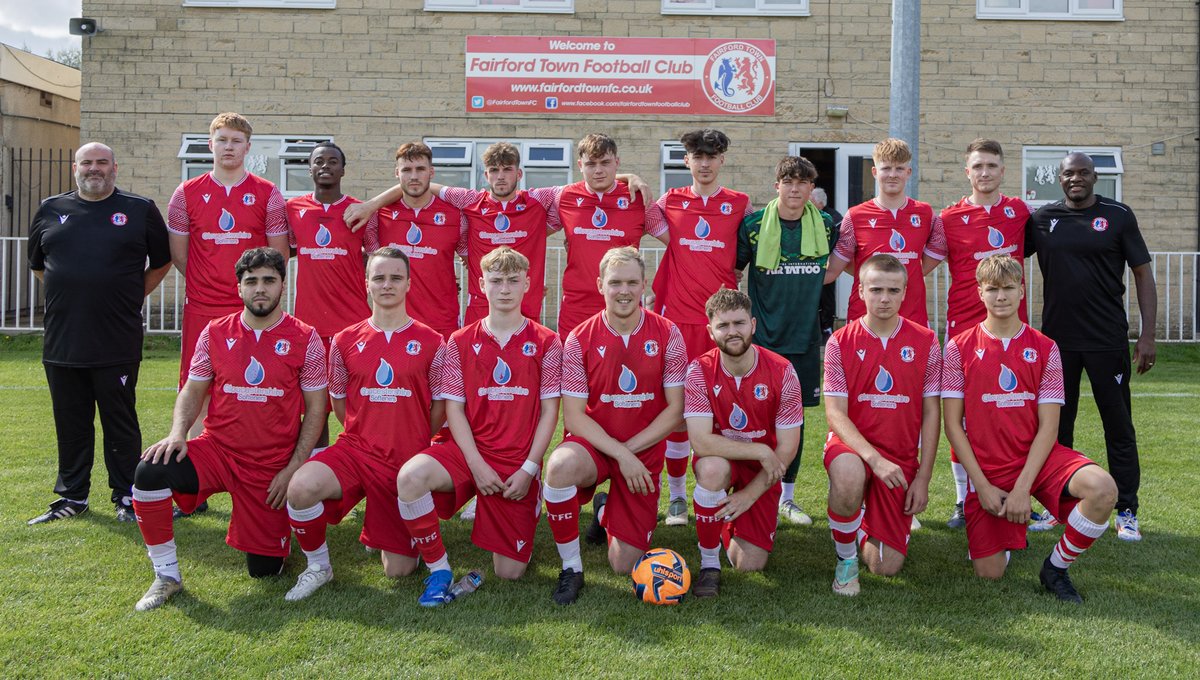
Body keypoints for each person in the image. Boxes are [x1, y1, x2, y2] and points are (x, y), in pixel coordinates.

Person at [130, 247, 328, 611]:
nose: (260, 289)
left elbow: (316, 410)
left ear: (283, 285)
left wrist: (293, 468)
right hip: (218, 451)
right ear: (239, 288)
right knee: (150, 471)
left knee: (265, 572)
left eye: (269, 280)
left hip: (271, 466)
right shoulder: (215, 332)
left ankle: (282, 532)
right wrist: (178, 433)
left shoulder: (306, 337)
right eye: (251, 281)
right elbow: (192, 390)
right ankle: (166, 576)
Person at [943, 254, 1118, 603]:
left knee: (1103, 489)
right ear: (980, 293)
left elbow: (1049, 427)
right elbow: (952, 426)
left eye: (1009, 288)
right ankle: (1005, 530)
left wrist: (1023, 489)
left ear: (1022, 291)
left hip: (1039, 460)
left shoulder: (1045, 347)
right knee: (988, 574)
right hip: (990, 470)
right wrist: (982, 486)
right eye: (992, 289)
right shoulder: (958, 347)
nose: (1001, 296)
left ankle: (1055, 567)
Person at [394, 246, 561, 606]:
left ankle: (529, 505)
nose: (505, 289)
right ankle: (439, 567)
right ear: (481, 285)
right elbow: (454, 409)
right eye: (496, 281)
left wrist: (530, 469)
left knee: (509, 572)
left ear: (527, 285)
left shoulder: (547, 341)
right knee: (410, 477)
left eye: (513, 281)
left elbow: (551, 412)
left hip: (516, 460)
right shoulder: (458, 341)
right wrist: (476, 465)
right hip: (467, 452)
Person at [283, 247, 446, 601]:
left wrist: (412, 436)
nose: (387, 285)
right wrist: (365, 430)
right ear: (367, 284)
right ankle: (318, 566)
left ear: (408, 284)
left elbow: (438, 409)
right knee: (300, 488)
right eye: (379, 278)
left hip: (405, 461)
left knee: (399, 570)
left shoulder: (433, 341)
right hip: (356, 451)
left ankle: (406, 532)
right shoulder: (343, 341)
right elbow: (340, 403)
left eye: (395, 278)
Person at [27, 142, 172, 524]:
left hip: (116, 338)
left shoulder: (139, 210)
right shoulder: (50, 209)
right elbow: (40, 266)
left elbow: (161, 262)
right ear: (75, 167)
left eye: (102, 163)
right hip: (63, 339)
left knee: (119, 421)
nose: (94, 169)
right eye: (87, 163)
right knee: (70, 421)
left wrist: (125, 293)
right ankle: (72, 497)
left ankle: (127, 496)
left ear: (115, 168)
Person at [542, 246, 686, 604]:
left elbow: (675, 411)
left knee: (624, 564)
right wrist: (620, 454)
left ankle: (604, 510)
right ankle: (571, 568)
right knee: (559, 466)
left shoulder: (669, 334)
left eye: (632, 282)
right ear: (600, 285)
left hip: (643, 451)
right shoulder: (578, 338)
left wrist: (628, 454)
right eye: (615, 282)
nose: (624, 290)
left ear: (644, 286)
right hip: (594, 445)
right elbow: (573, 417)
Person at [1026, 151, 1156, 543]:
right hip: (1056, 344)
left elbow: (1143, 275)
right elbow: (1003, 255)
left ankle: (1127, 510)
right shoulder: (1043, 219)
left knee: (1117, 426)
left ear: (1095, 177)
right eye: (1069, 173)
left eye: (1083, 172)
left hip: (1106, 341)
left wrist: (1147, 335)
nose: (1076, 178)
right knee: (1055, 428)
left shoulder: (1119, 215)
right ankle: (1057, 506)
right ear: (1060, 179)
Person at [649, 128, 753, 527]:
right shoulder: (669, 202)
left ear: (722, 160)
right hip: (678, 323)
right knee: (677, 412)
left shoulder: (739, 205)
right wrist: (631, 180)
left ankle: (719, 490)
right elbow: (636, 209)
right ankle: (676, 498)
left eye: (712, 156)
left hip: (723, 325)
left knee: (724, 408)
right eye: (698, 156)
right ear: (687, 162)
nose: (705, 163)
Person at [822, 254, 941, 596]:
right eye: (876, 289)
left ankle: (860, 522)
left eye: (892, 290)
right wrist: (874, 460)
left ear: (905, 292)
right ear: (860, 291)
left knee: (885, 567)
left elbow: (932, 412)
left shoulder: (926, 341)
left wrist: (923, 477)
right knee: (848, 474)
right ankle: (845, 561)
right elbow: (835, 413)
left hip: (900, 459)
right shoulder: (840, 341)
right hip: (853, 449)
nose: (884, 298)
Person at [735, 156, 837, 527]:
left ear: (812, 189)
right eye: (788, 182)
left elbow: (842, 263)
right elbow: (733, 274)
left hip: (804, 341)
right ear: (776, 186)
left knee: (794, 423)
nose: (795, 190)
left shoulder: (826, 225)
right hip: (761, 341)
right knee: (751, 418)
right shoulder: (753, 226)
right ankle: (747, 489)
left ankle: (787, 499)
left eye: (802, 183)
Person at [683, 289, 804, 597]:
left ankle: (722, 520)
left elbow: (787, 449)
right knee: (710, 470)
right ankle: (709, 564)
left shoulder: (782, 371)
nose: (732, 331)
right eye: (723, 326)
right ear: (711, 331)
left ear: (753, 325)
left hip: (762, 472)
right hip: (727, 459)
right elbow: (700, 440)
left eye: (739, 323)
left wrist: (750, 494)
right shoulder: (699, 371)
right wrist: (760, 449)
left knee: (749, 564)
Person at [939, 139, 1033, 529]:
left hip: (1013, 332)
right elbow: (916, 264)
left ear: (1002, 171)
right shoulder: (947, 218)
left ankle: (1020, 490)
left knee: (1012, 411)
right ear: (967, 172)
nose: (985, 172)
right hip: (964, 331)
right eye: (978, 165)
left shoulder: (1019, 212)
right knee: (961, 417)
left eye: (992, 165)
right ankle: (964, 500)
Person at [168, 112, 290, 390]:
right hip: (202, 305)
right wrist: (205, 282)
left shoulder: (268, 192)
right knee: (199, 385)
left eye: (237, 141)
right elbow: (179, 255)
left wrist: (255, 291)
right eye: (222, 140)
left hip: (250, 307)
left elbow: (278, 255)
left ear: (248, 147)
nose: (229, 146)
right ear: (211, 144)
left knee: (251, 387)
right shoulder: (185, 193)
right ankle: (197, 436)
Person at [286, 141, 374, 450]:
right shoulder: (293, 210)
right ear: (309, 169)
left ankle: (368, 458)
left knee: (364, 400)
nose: (325, 166)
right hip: (309, 328)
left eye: (333, 161)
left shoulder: (359, 211)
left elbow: (377, 257)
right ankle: (315, 469)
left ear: (343, 170)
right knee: (315, 407)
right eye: (319, 161)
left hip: (354, 325)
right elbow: (284, 251)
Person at [824, 138, 947, 327]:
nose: (892, 175)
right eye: (886, 168)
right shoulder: (855, 215)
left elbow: (938, 248)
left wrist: (909, 272)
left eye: (899, 169)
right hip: (864, 317)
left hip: (912, 316)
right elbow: (835, 268)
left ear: (909, 172)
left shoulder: (925, 213)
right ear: (875, 172)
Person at [367, 142, 467, 339]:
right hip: (393, 324)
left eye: (420, 169)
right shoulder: (377, 216)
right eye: (407, 170)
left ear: (431, 172)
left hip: (441, 323)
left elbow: (476, 261)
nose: (413, 177)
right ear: (397, 173)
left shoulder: (456, 215)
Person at [810, 187, 841, 343]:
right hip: (810, 265)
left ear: (820, 204)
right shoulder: (809, 216)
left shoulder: (833, 218)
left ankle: (827, 327)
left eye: (811, 202)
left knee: (827, 296)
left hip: (828, 265)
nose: (808, 204)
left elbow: (839, 243)